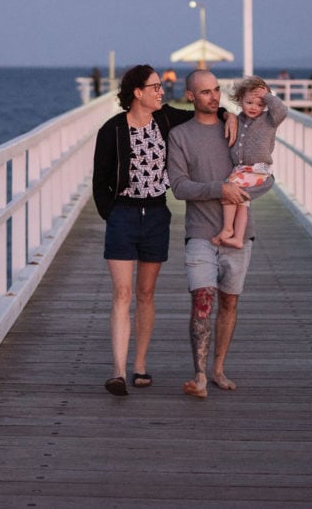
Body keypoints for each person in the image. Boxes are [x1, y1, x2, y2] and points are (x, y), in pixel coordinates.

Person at [92, 64, 236, 396]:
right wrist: (112, 216)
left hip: (157, 214)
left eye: (161, 86)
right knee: (122, 294)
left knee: (145, 294)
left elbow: (203, 111)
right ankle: (117, 370)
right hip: (123, 216)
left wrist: (228, 114)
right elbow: (100, 183)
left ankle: (139, 365)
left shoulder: (167, 118)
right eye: (155, 87)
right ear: (136, 92)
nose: (161, 91)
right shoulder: (111, 130)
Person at [167, 69, 274, 399]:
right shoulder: (180, 136)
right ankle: (199, 376)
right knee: (202, 300)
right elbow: (180, 186)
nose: (213, 97)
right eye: (205, 93)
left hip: (241, 232)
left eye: (216, 91)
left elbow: (265, 176)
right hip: (200, 231)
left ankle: (218, 369)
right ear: (190, 97)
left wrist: (240, 194)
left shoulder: (240, 127)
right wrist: (220, 189)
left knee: (229, 301)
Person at [213, 76, 287, 248]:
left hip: (256, 170)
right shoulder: (239, 119)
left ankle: (227, 229)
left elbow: (282, 111)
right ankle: (238, 239)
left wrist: (268, 96)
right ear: (240, 100)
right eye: (249, 102)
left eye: (260, 104)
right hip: (243, 169)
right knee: (242, 203)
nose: (255, 107)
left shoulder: (269, 120)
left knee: (229, 188)